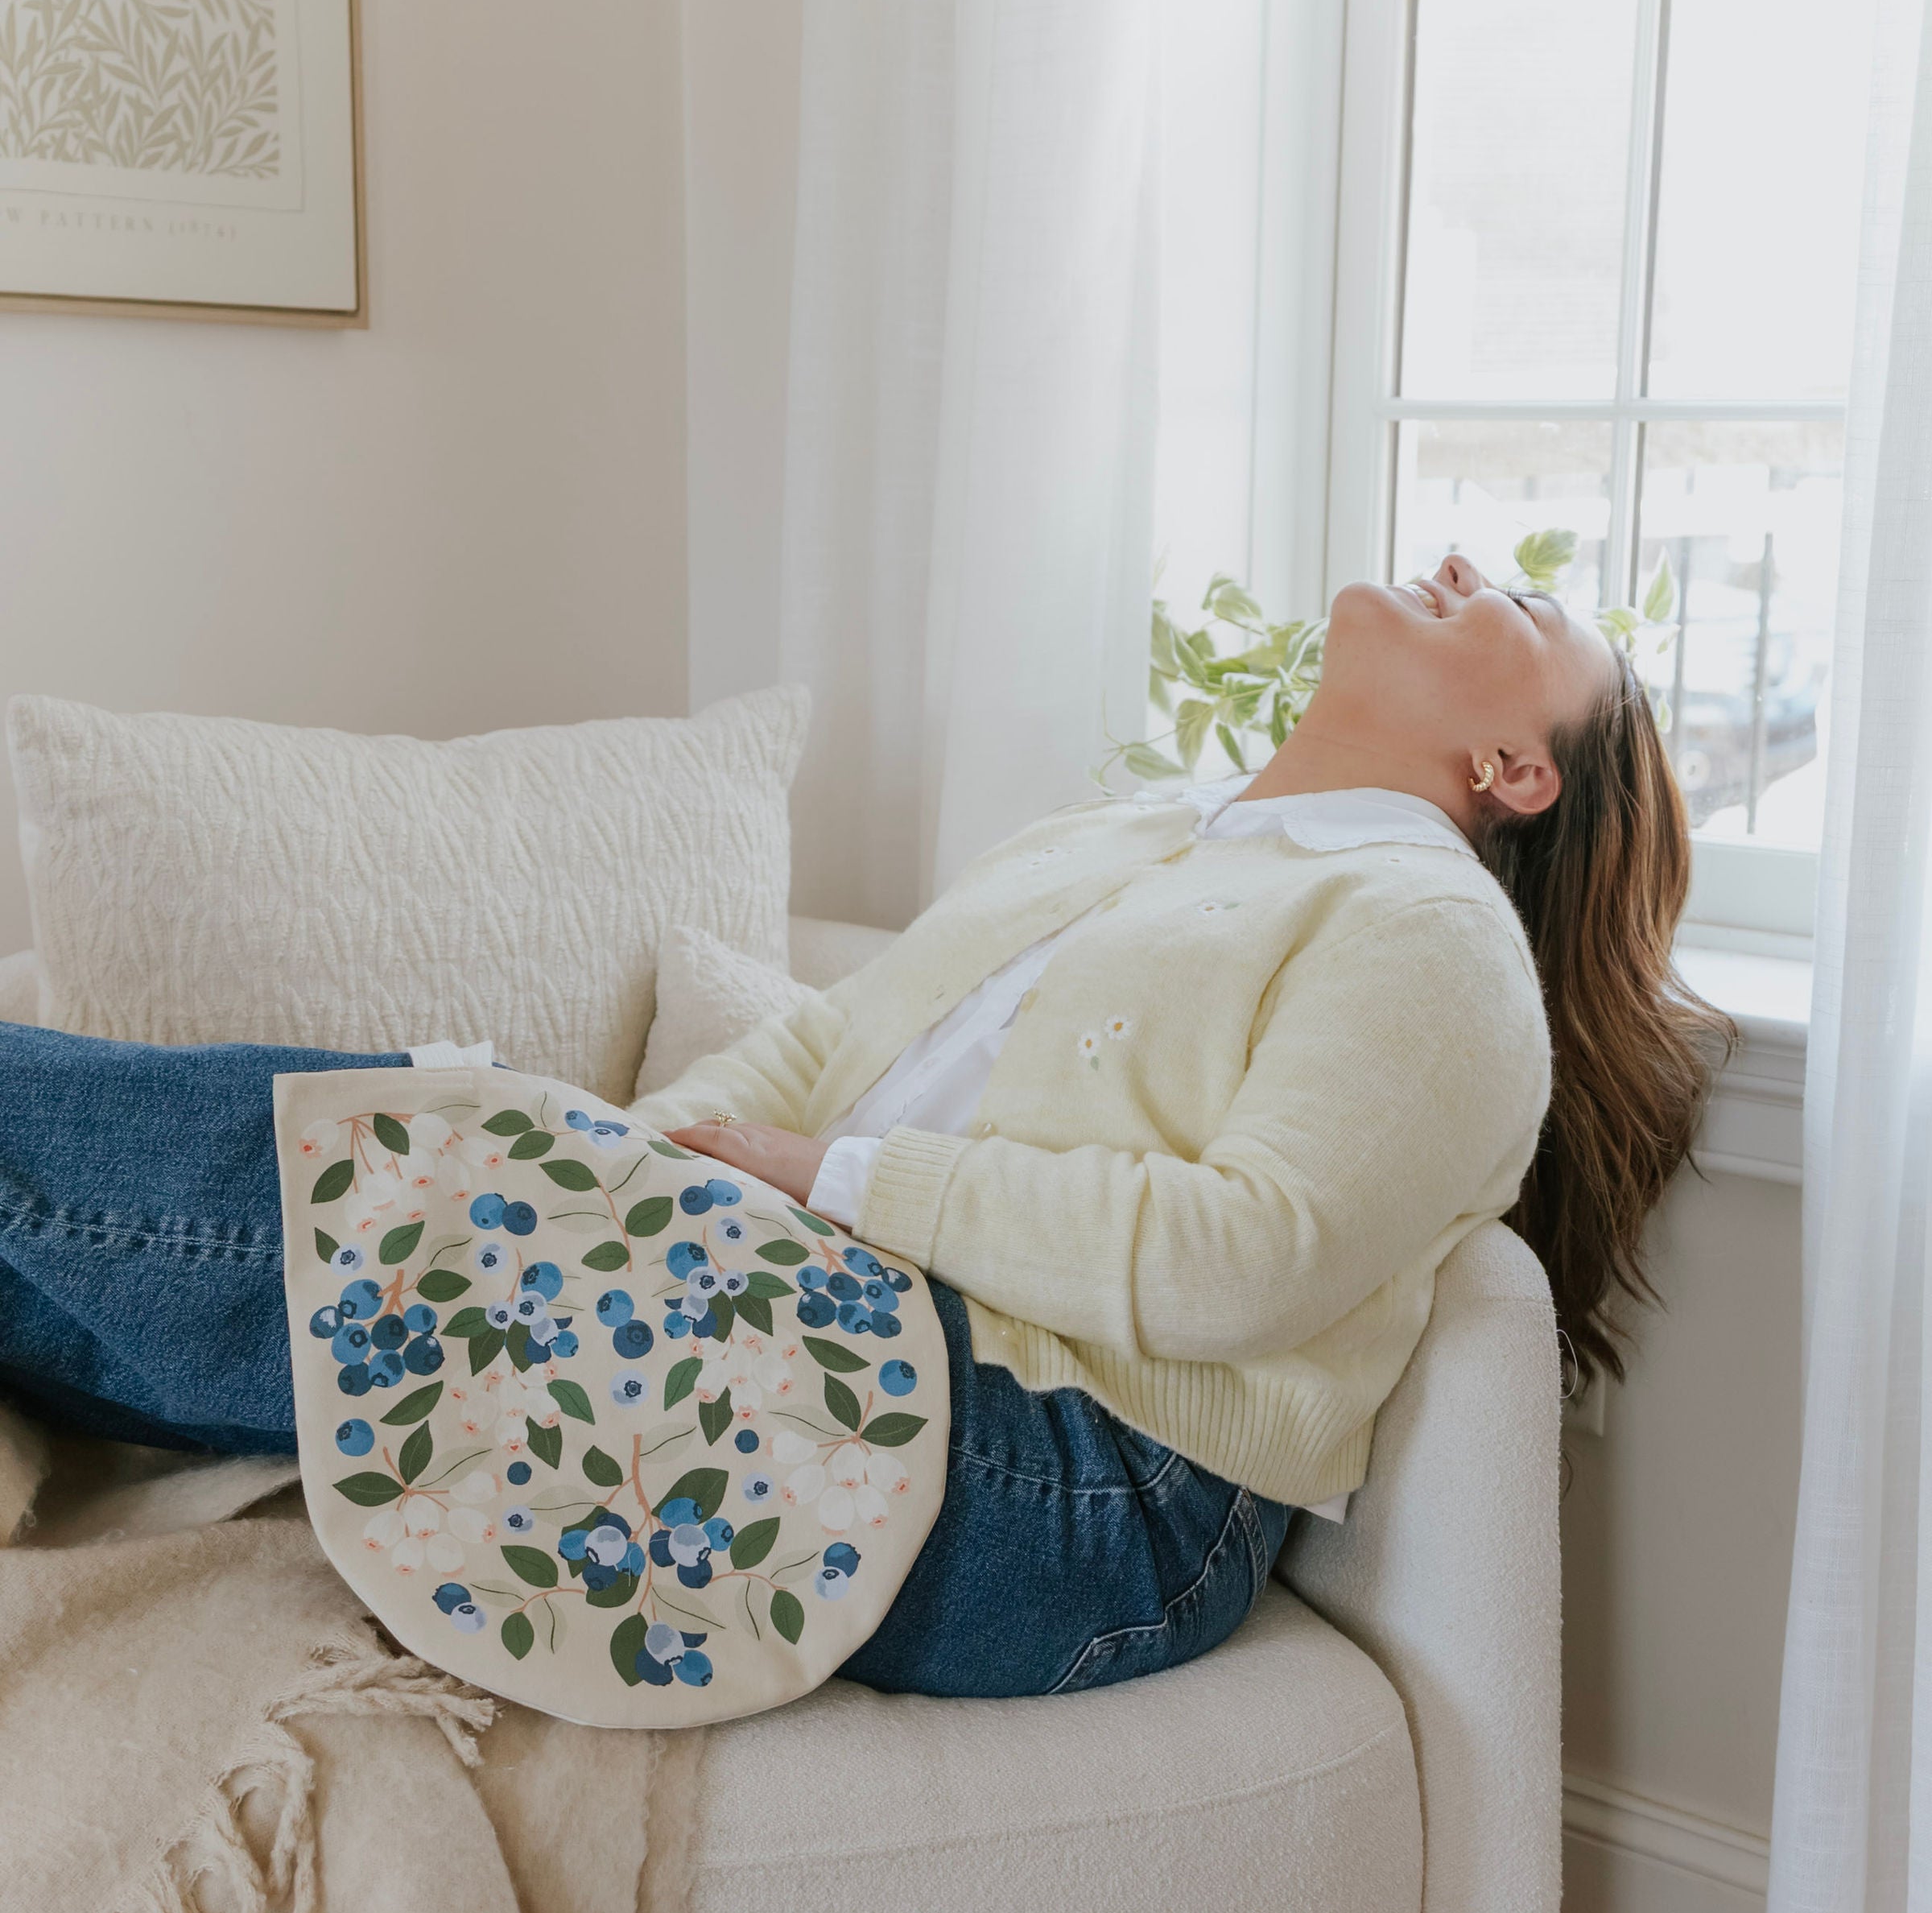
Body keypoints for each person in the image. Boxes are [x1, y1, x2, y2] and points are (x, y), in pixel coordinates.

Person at [0, 558, 1721, 1697]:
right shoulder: (1126, 835)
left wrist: (839, 1184)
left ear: (1516, 770)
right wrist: (613, 1165)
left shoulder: (1434, 940)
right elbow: (829, 1042)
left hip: (1087, 1483)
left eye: (1523, 609)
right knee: (435, 1150)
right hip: (861, 1314)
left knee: (391, 1191)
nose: (1463, 567)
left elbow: (1246, 1258)